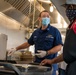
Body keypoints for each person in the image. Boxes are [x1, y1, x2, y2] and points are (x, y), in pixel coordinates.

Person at [8, 10, 63, 75]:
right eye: (44, 16)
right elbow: (28, 43)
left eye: (48, 17)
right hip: (38, 64)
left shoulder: (55, 31)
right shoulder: (36, 32)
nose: (46, 18)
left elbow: (59, 47)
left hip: (50, 64)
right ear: (39, 19)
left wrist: (47, 53)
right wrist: (16, 49)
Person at [40, 0, 76, 75]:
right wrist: (52, 61)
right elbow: (68, 54)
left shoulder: (74, 26)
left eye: (68, 7)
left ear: (72, 7)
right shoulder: (72, 25)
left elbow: (69, 53)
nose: (67, 11)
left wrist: (47, 53)